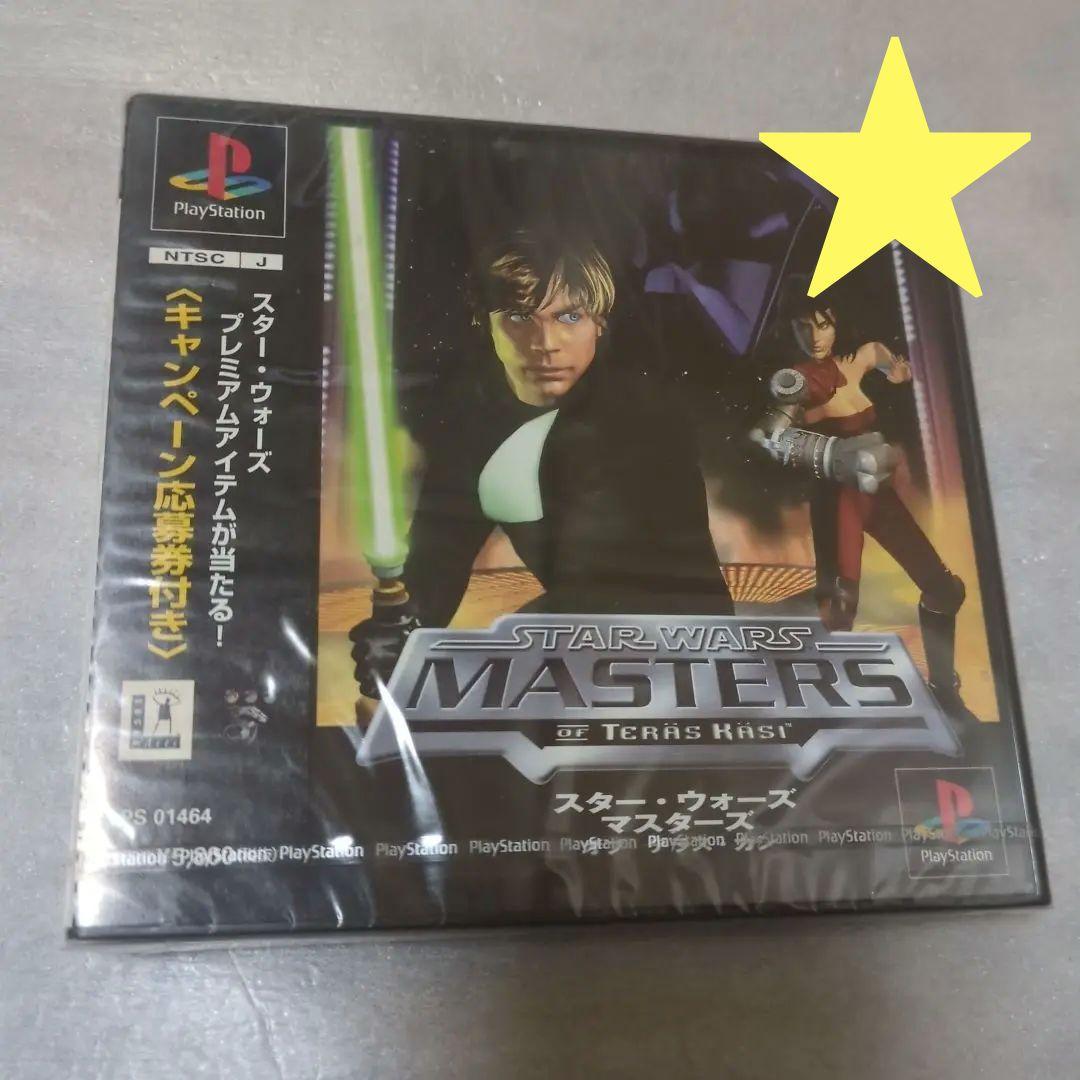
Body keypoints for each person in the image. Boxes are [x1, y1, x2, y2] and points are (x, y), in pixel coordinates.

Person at [350, 229, 733, 694]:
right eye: (518, 317)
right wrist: (400, 634)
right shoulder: (473, 425)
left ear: (599, 324)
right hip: (576, 655)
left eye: (569, 316)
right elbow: (437, 556)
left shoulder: (644, 417)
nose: (545, 342)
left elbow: (678, 589)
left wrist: (515, 644)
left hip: (677, 652)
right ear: (485, 323)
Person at [750, 290, 975, 723]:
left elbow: (890, 364)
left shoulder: (862, 356)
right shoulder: (798, 379)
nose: (814, 336)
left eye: (822, 324)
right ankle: (817, 706)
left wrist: (898, 373)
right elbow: (766, 436)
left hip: (878, 497)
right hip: (838, 500)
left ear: (836, 322)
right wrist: (830, 454)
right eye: (802, 327)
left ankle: (944, 690)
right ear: (787, 330)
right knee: (838, 611)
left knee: (943, 590)